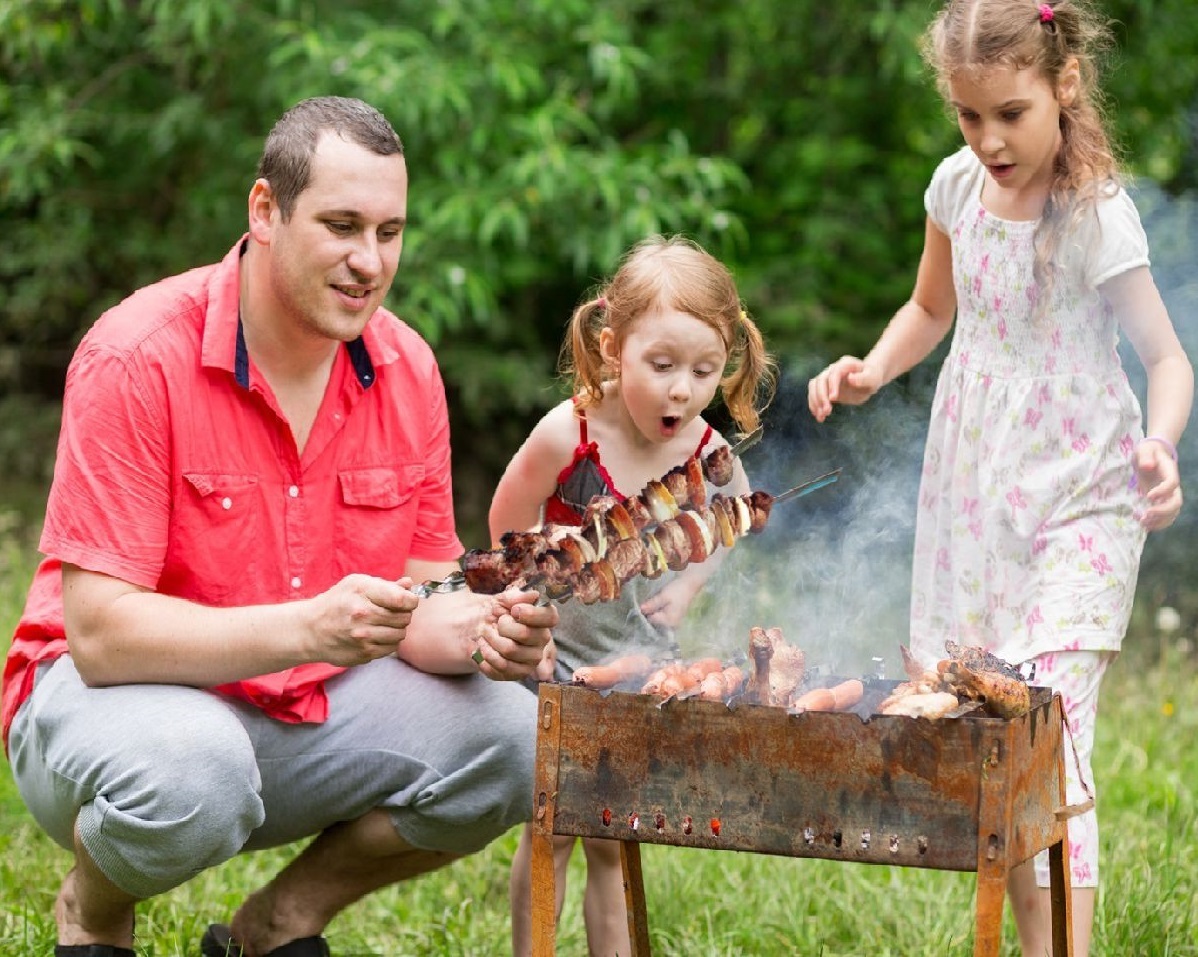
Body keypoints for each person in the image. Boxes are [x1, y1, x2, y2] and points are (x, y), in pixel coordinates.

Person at [1, 95, 559, 957]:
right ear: (265, 210)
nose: (369, 261)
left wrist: (492, 632)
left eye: (390, 232)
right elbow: (101, 635)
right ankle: (97, 907)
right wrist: (309, 626)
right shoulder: (137, 354)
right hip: (110, 711)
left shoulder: (407, 368)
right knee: (197, 768)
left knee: (517, 738)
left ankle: (280, 922)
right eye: (341, 225)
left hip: (303, 712)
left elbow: (425, 590)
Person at [807, 2, 1192, 955]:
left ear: (1064, 88)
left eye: (1010, 114)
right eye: (970, 117)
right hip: (974, 496)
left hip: (1083, 499)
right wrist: (873, 368)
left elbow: (1168, 358)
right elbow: (929, 306)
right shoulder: (954, 188)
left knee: (1047, 739)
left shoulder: (1095, 212)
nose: (989, 140)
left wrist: (1163, 444)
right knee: (988, 738)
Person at [494, 235, 776, 956]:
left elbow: (733, 513)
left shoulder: (703, 451)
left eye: (704, 370)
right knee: (552, 828)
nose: (682, 388)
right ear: (614, 348)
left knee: (613, 838)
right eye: (662, 365)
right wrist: (529, 609)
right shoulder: (570, 432)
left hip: (638, 660)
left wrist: (684, 589)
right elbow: (507, 519)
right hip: (558, 661)